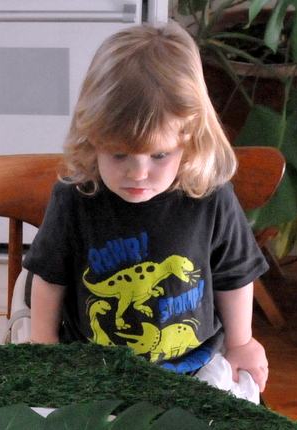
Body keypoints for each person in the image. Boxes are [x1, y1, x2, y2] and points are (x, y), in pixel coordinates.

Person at [22, 21, 270, 398]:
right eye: (118, 154)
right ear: (92, 136)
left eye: (159, 155)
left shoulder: (212, 198)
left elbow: (234, 277)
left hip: (196, 363)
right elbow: (49, 277)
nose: (138, 173)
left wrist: (241, 343)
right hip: (92, 365)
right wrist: (43, 341)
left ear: (190, 138)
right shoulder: (74, 199)